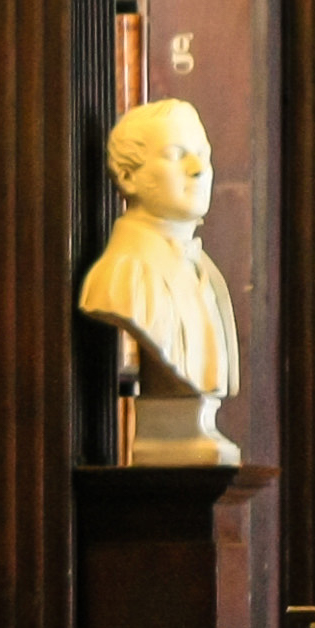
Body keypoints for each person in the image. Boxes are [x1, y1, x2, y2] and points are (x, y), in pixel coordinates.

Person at [77, 98, 242, 465]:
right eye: (176, 154)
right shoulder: (121, 276)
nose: (199, 169)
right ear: (128, 176)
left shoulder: (208, 273)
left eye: (203, 154)